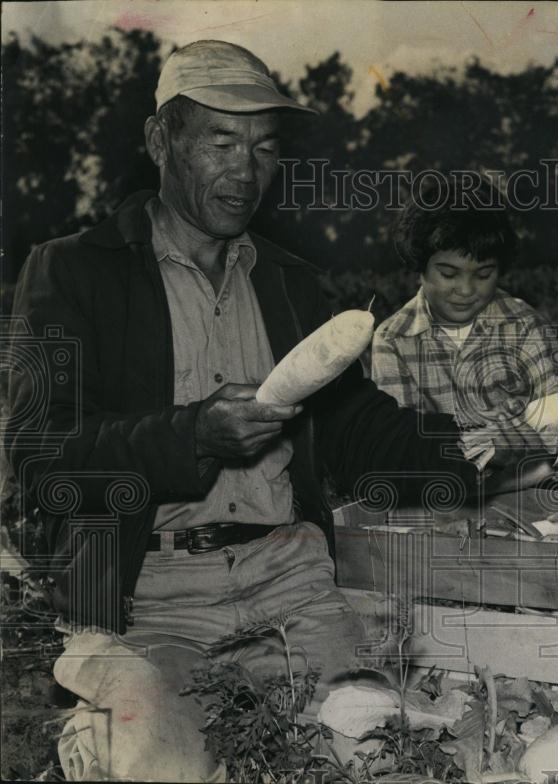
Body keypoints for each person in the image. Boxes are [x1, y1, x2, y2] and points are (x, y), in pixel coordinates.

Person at [4, 40, 479, 781]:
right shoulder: (72, 272)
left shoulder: (293, 285)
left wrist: (485, 447)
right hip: (152, 599)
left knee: (376, 757)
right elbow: (40, 456)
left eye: (264, 147)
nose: (246, 170)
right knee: (168, 765)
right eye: (222, 142)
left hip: (289, 583)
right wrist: (191, 433)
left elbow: (357, 430)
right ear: (162, 141)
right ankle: (96, 741)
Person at [371, 176, 558, 457]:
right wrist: (489, 441)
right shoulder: (393, 340)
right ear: (420, 265)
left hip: (533, 478)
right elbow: (407, 445)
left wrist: (538, 437)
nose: (465, 290)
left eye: (483, 274)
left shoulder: (524, 325)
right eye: (449, 274)